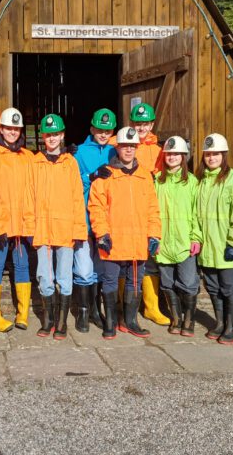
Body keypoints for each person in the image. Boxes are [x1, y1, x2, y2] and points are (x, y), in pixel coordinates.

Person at [89, 126, 162, 340]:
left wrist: (154, 235)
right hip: (114, 239)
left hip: (138, 240)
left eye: (132, 146)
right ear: (117, 147)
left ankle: (130, 321)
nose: (128, 150)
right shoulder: (106, 175)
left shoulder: (144, 176)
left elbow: (152, 208)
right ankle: (111, 322)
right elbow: (96, 207)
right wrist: (102, 234)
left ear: (137, 147)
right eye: (124, 146)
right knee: (110, 281)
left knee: (135, 281)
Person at [111, 102, 169, 328]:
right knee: (124, 260)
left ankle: (151, 307)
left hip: (148, 209)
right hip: (125, 212)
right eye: (137, 123)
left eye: (145, 123)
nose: (142, 127)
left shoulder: (159, 151)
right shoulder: (119, 143)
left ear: (152, 124)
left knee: (148, 262)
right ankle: (121, 308)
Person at [31, 114, 87, 339]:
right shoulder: (35, 162)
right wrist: (29, 226)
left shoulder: (70, 163)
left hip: (65, 227)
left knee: (64, 275)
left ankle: (62, 322)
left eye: (56, 134)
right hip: (43, 227)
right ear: (43, 136)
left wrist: (78, 229)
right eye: (48, 134)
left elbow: (77, 197)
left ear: (62, 135)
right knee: (44, 275)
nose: (52, 138)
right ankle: (48, 320)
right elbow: (29, 195)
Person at [195, 133, 233, 345]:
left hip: (227, 246)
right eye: (208, 154)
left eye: (216, 154)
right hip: (208, 247)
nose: (212, 158)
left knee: (230, 287)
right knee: (212, 287)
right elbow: (196, 215)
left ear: (224, 155)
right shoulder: (201, 182)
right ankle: (219, 322)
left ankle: (231, 326)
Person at [0, 107, 35, 332]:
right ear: (1, 129)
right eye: (9, 128)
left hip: (22, 223)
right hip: (2, 224)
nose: (13, 132)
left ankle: (22, 313)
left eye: (16, 129)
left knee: (22, 265)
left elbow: (34, 190)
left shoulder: (28, 156)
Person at [72, 108, 117, 333]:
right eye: (100, 129)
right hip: (83, 215)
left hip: (105, 218)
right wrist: (90, 177)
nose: (103, 133)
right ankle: (82, 311)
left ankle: (95, 310)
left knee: (100, 266)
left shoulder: (114, 152)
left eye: (107, 130)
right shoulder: (79, 152)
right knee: (83, 265)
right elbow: (70, 181)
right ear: (92, 129)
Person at [154, 136, 203, 337]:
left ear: (183, 157)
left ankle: (189, 320)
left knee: (189, 282)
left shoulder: (192, 182)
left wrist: (196, 237)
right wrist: (153, 238)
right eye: (169, 154)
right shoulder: (157, 181)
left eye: (176, 154)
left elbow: (197, 213)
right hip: (163, 241)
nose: (172, 157)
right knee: (167, 282)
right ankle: (176, 318)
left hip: (185, 241)